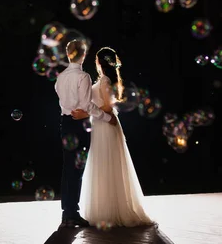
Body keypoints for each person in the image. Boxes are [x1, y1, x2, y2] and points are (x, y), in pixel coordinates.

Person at [73, 47, 153, 227]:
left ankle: (110, 211)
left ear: (99, 62)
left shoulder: (105, 81)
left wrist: (86, 114)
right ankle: (105, 209)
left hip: (105, 125)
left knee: (107, 164)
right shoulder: (104, 80)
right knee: (103, 164)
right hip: (101, 124)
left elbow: (108, 107)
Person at [55, 39, 117, 228]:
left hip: (65, 123)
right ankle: (72, 213)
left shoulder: (61, 77)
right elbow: (86, 105)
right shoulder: (83, 77)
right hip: (79, 125)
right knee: (77, 169)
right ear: (83, 55)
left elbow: (62, 102)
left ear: (68, 54)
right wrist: (108, 118)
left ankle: (67, 213)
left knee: (67, 168)